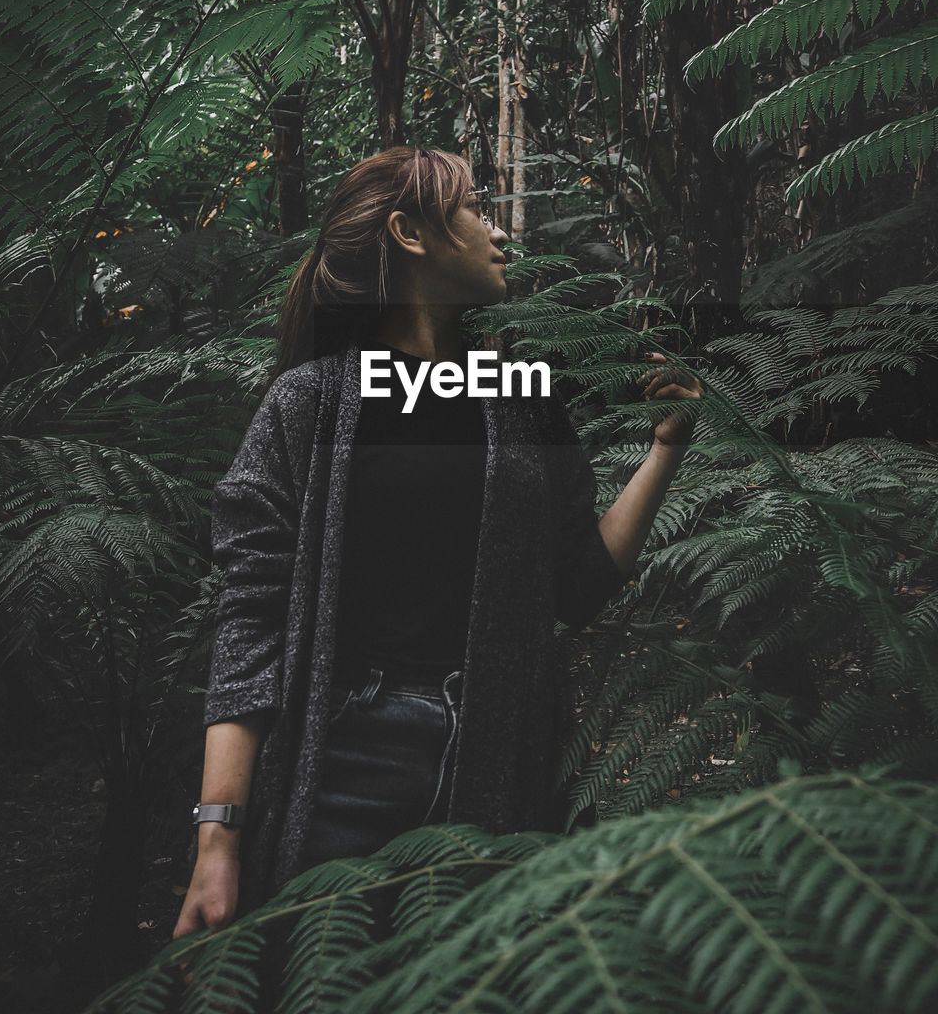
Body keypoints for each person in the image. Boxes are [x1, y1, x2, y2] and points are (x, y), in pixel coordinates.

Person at [173, 145, 701, 940]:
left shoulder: (520, 397)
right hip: (345, 760)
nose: (498, 234)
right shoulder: (308, 405)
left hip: (500, 755)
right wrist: (218, 843)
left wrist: (665, 449)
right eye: (474, 211)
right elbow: (251, 620)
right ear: (410, 232)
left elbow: (579, 585)